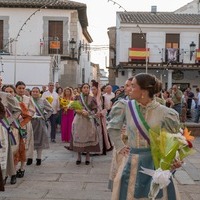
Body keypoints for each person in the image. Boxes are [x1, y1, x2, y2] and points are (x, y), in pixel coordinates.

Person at [108, 73, 182, 200]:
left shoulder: (166, 113)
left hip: (155, 163)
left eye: (133, 86)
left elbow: (173, 139)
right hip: (131, 162)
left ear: (144, 90)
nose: (129, 89)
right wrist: (120, 146)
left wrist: (174, 158)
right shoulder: (125, 107)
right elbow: (113, 127)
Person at [70, 83, 100, 165]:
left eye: (87, 87)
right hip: (79, 120)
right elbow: (72, 107)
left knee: (88, 137)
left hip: (88, 120)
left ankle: (87, 156)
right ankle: (79, 156)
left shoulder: (92, 98)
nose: (86, 89)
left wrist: (89, 112)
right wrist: (77, 111)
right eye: (84, 87)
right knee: (78, 137)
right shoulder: (77, 97)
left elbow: (95, 109)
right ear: (81, 89)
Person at [15, 81, 35, 169]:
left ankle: (22, 168)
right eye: (19, 88)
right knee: (15, 145)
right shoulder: (12, 98)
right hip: (14, 124)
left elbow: (32, 110)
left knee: (25, 144)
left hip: (26, 123)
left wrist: (25, 115)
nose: (21, 90)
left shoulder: (28, 98)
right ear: (16, 88)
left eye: (23, 88)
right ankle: (14, 167)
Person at [31, 87, 53, 165]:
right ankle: (29, 157)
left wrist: (45, 117)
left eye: (36, 91)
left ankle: (39, 158)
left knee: (40, 140)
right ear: (31, 92)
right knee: (30, 141)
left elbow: (51, 110)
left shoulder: (43, 100)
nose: (35, 93)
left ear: (39, 93)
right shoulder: (28, 100)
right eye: (33, 91)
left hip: (40, 123)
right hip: (30, 123)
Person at [91, 81, 112, 155]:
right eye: (92, 89)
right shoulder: (90, 98)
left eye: (94, 89)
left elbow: (106, 108)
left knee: (100, 133)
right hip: (92, 117)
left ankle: (100, 149)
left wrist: (101, 113)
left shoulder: (103, 98)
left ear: (98, 90)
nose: (93, 91)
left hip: (100, 118)